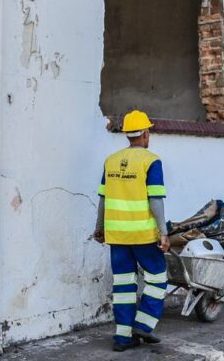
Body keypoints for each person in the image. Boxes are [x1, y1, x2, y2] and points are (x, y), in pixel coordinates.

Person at [92, 110, 170, 352]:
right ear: (145, 133)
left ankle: (122, 338)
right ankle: (144, 325)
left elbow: (103, 199)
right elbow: (155, 200)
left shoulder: (110, 160)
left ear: (127, 134)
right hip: (143, 235)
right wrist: (164, 232)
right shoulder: (151, 161)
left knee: (123, 285)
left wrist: (99, 227)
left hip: (117, 235)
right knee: (157, 277)